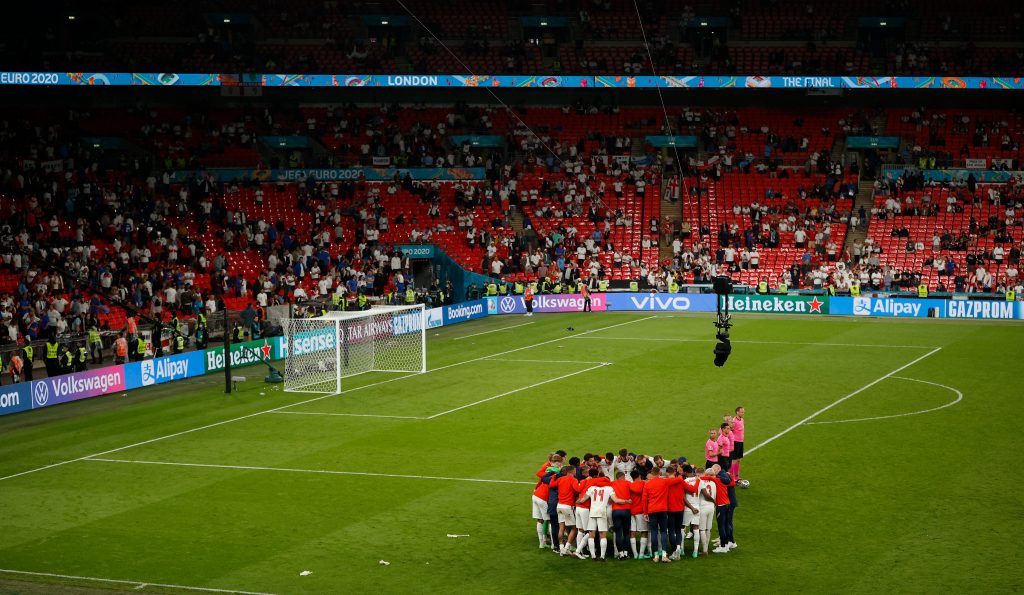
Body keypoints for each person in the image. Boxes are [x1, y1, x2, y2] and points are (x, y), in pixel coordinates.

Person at [578, 471, 631, 560]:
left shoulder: (591, 488)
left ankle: (593, 556)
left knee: (591, 535)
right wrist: (626, 501)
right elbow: (616, 500)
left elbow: (582, 500)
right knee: (603, 535)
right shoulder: (609, 488)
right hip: (602, 512)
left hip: (592, 512)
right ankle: (602, 557)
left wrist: (574, 502)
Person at [551, 461, 580, 555]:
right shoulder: (573, 480)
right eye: (575, 471)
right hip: (567, 506)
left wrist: (553, 477)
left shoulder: (560, 479)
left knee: (561, 528)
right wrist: (584, 483)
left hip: (559, 506)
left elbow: (552, 485)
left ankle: (561, 548)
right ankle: (566, 548)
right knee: (575, 528)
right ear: (572, 472)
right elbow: (578, 489)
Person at [610, 471, 633, 559]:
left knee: (618, 533)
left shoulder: (612, 483)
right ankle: (626, 553)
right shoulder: (628, 483)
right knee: (626, 533)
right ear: (623, 477)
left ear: (617, 477)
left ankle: (621, 554)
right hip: (626, 510)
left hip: (616, 510)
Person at [731, 406, 745, 479]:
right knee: (734, 460)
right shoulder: (734, 421)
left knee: (739, 460)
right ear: (737, 412)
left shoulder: (742, 419)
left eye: (743, 412)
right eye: (742, 412)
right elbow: (730, 431)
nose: (743, 413)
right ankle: (731, 477)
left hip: (741, 442)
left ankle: (737, 476)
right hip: (735, 442)